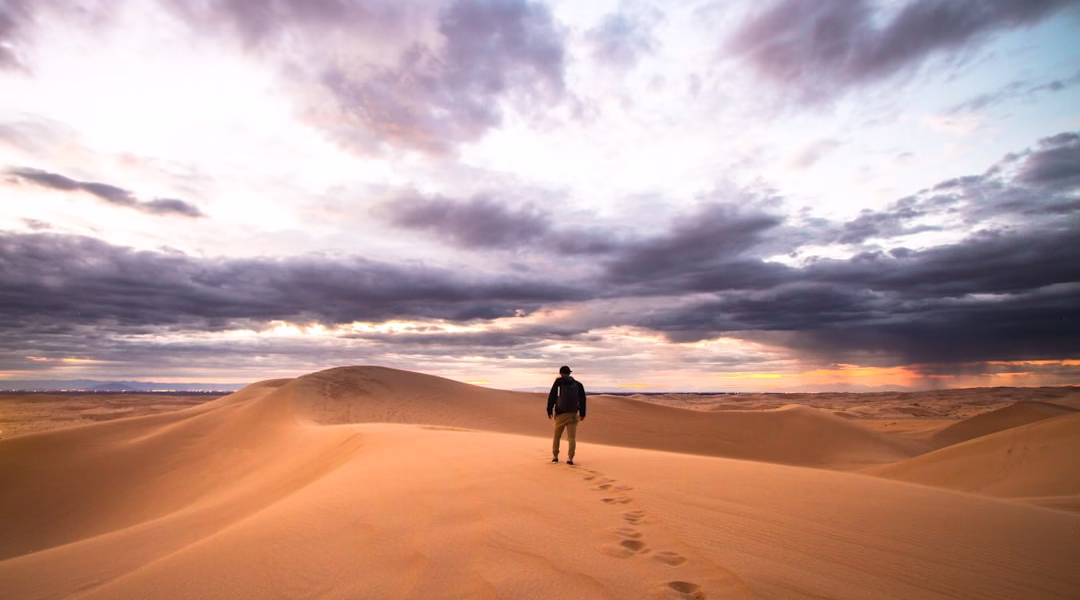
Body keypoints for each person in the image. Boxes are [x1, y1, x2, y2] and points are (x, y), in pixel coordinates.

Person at [547, 365, 586, 465]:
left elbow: (552, 396)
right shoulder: (578, 384)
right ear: (569, 373)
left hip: (560, 414)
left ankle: (555, 457)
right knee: (571, 438)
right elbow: (582, 399)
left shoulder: (558, 382)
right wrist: (582, 413)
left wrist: (549, 410)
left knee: (557, 436)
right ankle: (570, 458)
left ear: (560, 373)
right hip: (573, 414)